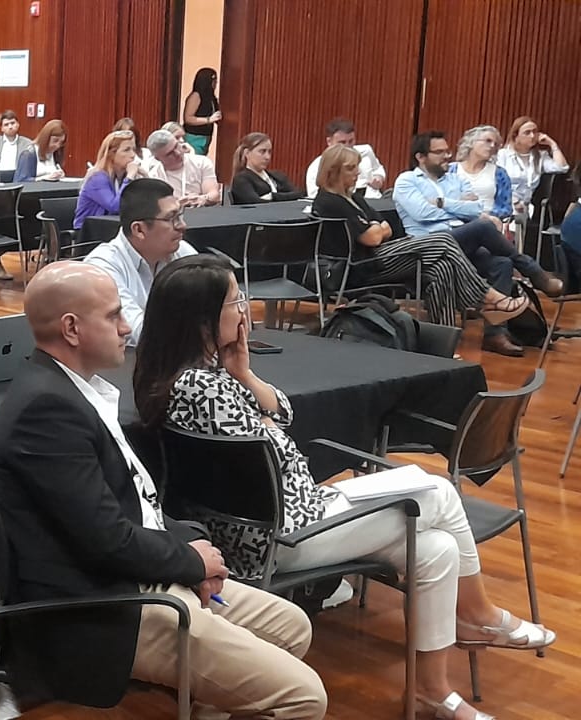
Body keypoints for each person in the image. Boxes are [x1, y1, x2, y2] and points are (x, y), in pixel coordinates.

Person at [133, 253, 555, 720]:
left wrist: (245, 373)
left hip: (289, 513)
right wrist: (252, 404)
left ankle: (432, 691)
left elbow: (283, 415)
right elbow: (271, 445)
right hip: (279, 534)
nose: (245, 309)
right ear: (202, 320)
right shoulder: (202, 387)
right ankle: (477, 616)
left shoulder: (192, 376)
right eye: (235, 301)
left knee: (436, 548)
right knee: (436, 492)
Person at [0, 259, 324, 718]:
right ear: (71, 329)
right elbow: (106, 540)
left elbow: (137, 501)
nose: (127, 327)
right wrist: (190, 562)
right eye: (114, 316)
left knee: (293, 627)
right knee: (305, 697)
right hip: (105, 606)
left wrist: (194, 550)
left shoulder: (73, 392)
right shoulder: (45, 410)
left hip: (139, 574)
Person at [314, 144, 529, 336]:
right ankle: (488, 298)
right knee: (442, 240)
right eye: (350, 168)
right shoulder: (329, 201)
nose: (358, 172)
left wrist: (376, 229)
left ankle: (443, 341)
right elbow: (372, 238)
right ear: (333, 171)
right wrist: (376, 229)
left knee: (441, 269)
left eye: (356, 167)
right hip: (358, 267)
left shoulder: (354, 198)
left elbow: (386, 228)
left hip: (376, 256)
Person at [397, 130, 561, 295]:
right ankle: (534, 272)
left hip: (461, 241)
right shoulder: (407, 181)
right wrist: (461, 207)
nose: (446, 156)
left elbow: (475, 209)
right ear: (420, 157)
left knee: (502, 263)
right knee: (483, 226)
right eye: (439, 152)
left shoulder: (456, 179)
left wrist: (443, 203)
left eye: (447, 151)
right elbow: (423, 213)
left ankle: (497, 311)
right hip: (428, 245)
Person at [85, 178, 198, 345]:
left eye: (180, 215)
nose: (182, 226)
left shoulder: (182, 251)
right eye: (171, 218)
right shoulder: (103, 267)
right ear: (139, 229)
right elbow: (139, 332)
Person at [496, 116, 569, 212]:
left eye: (535, 132)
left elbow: (562, 168)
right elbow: (496, 182)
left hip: (525, 208)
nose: (532, 136)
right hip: (503, 204)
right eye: (527, 132)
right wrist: (515, 201)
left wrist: (553, 144)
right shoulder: (503, 155)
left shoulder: (540, 156)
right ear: (515, 136)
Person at [303, 118, 387, 199]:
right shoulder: (317, 166)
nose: (347, 146)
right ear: (329, 142)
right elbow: (314, 196)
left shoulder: (366, 151)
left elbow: (378, 169)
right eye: (342, 142)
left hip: (376, 200)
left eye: (351, 141)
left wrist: (379, 178)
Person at [74, 130, 138, 229]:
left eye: (133, 149)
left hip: (112, 229)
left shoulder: (122, 177)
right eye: (126, 150)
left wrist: (144, 177)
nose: (133, 155)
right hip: (89, 233)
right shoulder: (97, 178)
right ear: (111, 154)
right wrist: (129, 178)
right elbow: (115, 208)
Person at [143, 130, 220, 207]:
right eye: (170, 153)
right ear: (158, 158)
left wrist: (202, 199)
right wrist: (177, 204)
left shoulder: (201, 162)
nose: (178, 153)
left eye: (176, 146)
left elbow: (214, 195)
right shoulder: (154, 178)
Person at [452, 126, 513, 220]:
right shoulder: (451, 170)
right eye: (488, 141)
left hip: (487, 221)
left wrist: (482, 214)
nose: (492, 146)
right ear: (472, 142)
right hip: (454, 220)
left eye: (495, 144)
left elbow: (506, 208)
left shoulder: (499, 173)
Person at [230, 133, 303, 203]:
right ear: (247, 153)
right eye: (262, 151)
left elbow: (299, 194)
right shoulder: (241, 179)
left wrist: (272, 196)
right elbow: (255, 203)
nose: (267, 157)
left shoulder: (278, 176)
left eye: (269, 152)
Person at [181, 67, 221, 154]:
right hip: (194, 137)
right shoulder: (196, 96)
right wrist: (209, 119)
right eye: (213, 81)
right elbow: (188, 118)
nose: (215, 84)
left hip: (206, 137)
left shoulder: (211, 98)